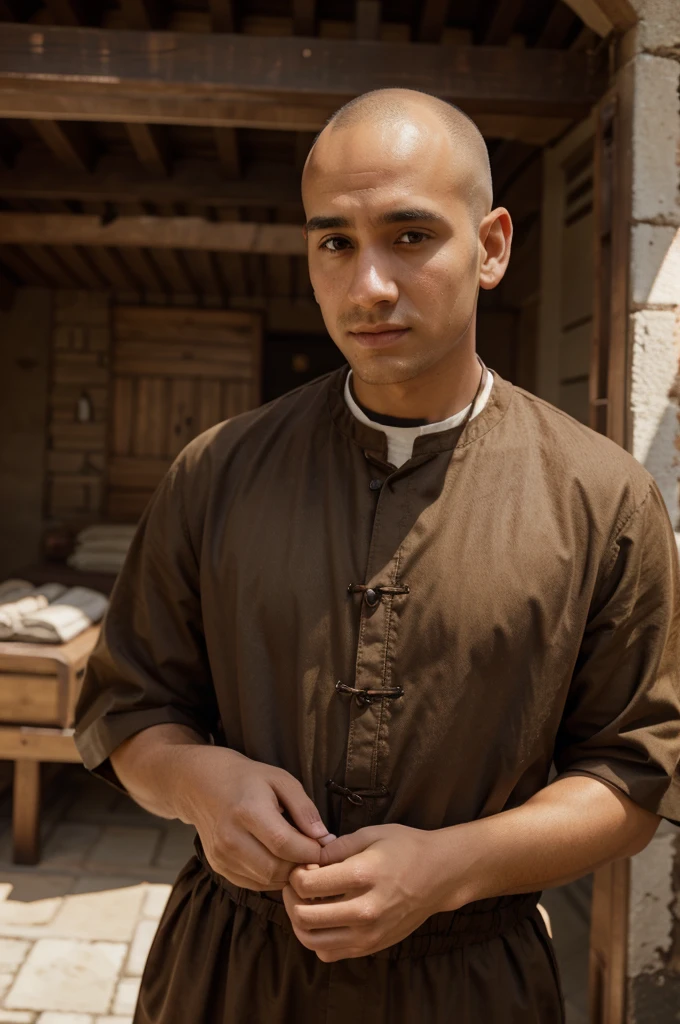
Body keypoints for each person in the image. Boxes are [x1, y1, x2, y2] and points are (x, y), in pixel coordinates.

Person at [74, 88, 680, 1023]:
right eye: (334, 242)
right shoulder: (216, 471)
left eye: (409, 236)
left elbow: (630, 778)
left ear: (491, 246)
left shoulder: (604, 501)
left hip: (471, 980)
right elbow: (128, 707)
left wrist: (450, 868)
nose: (368, 288)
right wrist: (200, 784)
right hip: (227, 975)